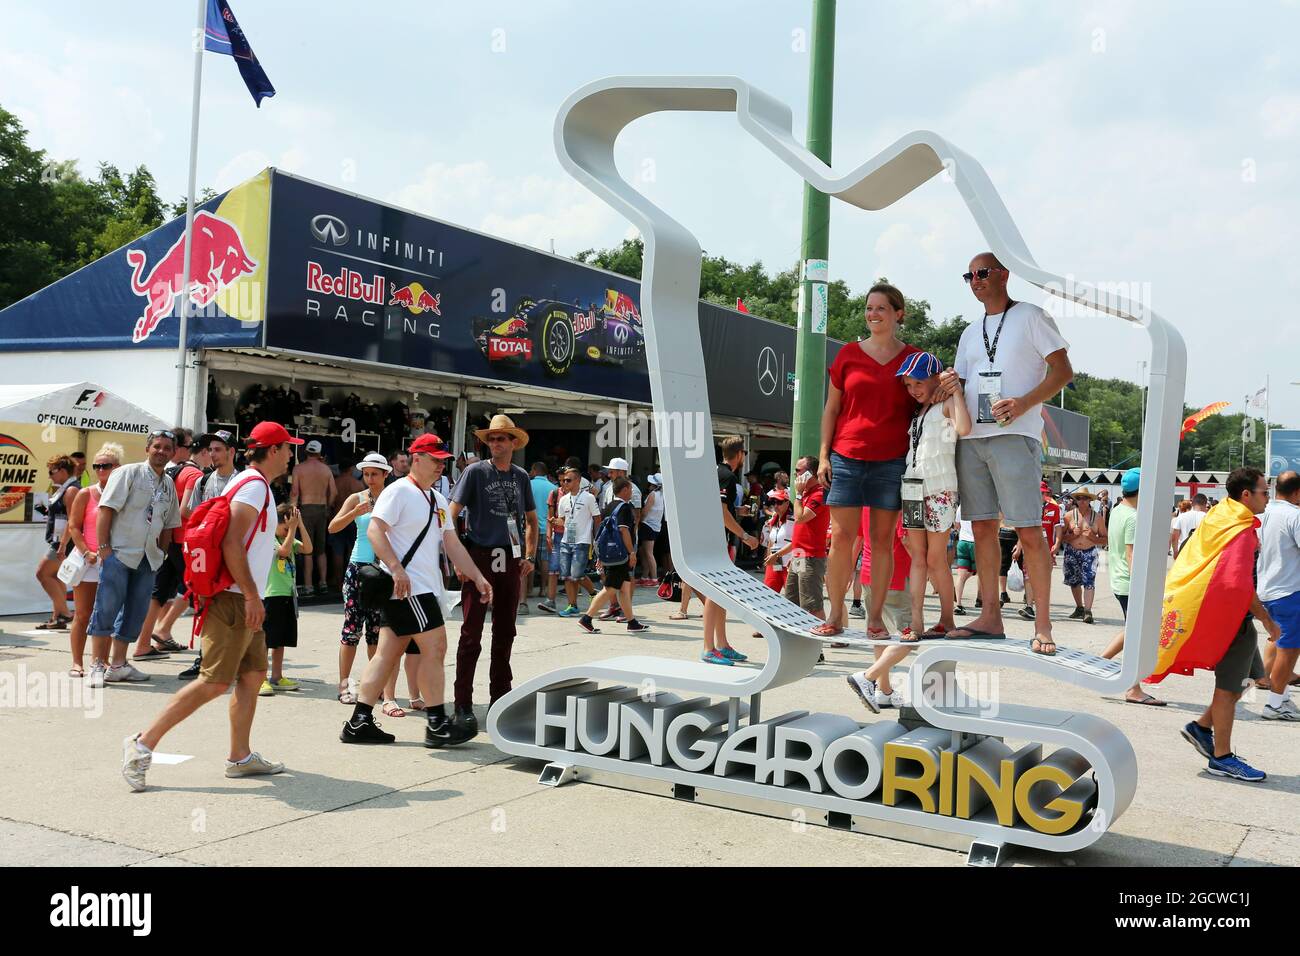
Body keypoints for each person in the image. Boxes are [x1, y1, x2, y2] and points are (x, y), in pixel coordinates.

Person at [122, 422, 299, 791]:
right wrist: (251, 595)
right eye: (287, 447)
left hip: (245, 596)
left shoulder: (251, 483)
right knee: (214, 682)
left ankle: (240, 757)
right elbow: (233, 542)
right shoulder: (252, 487)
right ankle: (141, 744)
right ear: (274, 450)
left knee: (252, 677)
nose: (291, 454)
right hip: (235, 597)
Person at [942, 253, 1073, 654]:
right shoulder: (969, 332)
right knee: (980, 527)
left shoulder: (1032, 316)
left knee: (1029, 530)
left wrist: (1023, 402)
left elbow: (1063, 371)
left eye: (982, 273)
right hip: (971, 438)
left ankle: (1044, 625)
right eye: (969, 275)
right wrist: (946, 384)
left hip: (1016, 433)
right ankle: (990, 617)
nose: (975, 280)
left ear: (1003, 274)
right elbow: (960, 385)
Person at [341, 433, 492, 746]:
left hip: (416, 589)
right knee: (435, 648)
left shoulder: (436, 499)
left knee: (385, 655)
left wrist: (477, 575)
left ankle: (358, 721)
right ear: (417, 459)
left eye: (443, 462)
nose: (440, 467)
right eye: (435, 460)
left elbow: (450, 541)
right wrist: (396, 568)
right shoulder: (398, 492)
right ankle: (437, 723)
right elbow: (374, 530)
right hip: (409, 589)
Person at [815, 284, 921, 640]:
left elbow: (928, 398)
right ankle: (836, 613)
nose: (873, 314)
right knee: (842, 538)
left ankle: (874, 618)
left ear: (898, 313)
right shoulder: (847, 355)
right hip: (846, 458)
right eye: (869, 308)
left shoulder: (913, 359)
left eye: (881, 308)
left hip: (892, 462)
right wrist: (823, 456)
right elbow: (831, 409)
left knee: (881, 541)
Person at [1159, 468, 1277, 781]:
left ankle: (1201, 727)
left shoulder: (1221, 514)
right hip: (1232, 620)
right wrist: (1267, 619)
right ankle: (1222, 758)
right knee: (1228, 690)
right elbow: (1237, 585)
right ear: (1246, 495)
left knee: (1249, 680)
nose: (1269, 497)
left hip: (1234, 619)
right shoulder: (1240, 529)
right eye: (1265, 492)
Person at [449, 414, 538, 738]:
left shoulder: (521, 477)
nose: (497, 443)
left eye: (502, 438)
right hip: (480, 556)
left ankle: (500, 701)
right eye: (492, 439)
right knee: (470, 634)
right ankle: (462, 704)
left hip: (510, 558)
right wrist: (458, 557)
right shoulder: (475, 472)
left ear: (514, 442)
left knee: (506, 633)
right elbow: (451, 515)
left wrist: (528, 556)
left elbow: (531, 519)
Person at [87, 431, 182, 688]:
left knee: (136, 613)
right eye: (157, 446)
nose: (161, 451)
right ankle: (97, 664)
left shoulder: (168, 484)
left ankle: (118, 664)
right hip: (120, 553)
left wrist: (162, 553)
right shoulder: (128, 473)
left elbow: (169, 523)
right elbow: (106, 510)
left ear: (173, 453)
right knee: (106, 608)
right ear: (147, 449)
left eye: (166, 448)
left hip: (149, 559)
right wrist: (105, 548)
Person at [896, 351, 970, 640]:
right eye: (908, 385)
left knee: (936, 559)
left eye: (917, 383)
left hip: (940, 489)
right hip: (912, 488)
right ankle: (916, 622)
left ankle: (947, 620)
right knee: (918, 557)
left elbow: (964, 428)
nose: (913, 390)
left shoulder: (947, 403)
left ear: (933, 378)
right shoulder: (917, 413)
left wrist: (954, 391)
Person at [330, 452, 411, 712]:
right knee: (351, 630)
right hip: (358, 568)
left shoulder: (394, 497)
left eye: (375, 474)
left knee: (377, 632)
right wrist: (354, 511)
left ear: (386, 474)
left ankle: (372, 687)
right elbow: (333, 527)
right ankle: (344, 686)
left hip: (384, 570)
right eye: (366, 474)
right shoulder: (357, 497)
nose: (370, 479)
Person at [128, 428, 204, 662]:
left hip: (166, 540)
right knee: (196, 589)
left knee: (159, 593)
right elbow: (184, 510)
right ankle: (165, 631)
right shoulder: (193, 474)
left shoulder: (170, 472)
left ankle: (144, 643)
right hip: (183, 540)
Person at [174, 430, 240, 680]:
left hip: (233, 551)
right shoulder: (204, 480)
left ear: (231, 452)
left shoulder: (242, 480)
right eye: (210, 449)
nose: (212, 454)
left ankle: (234, 658)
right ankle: (204, 658)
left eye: (218, 449)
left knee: (235, 604)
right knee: (205, 604)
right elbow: (191, 513)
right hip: (209, 552)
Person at [1097, 468, 1163, 705]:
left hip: (1119, 580)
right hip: (1130, 583)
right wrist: (1143, 586)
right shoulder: (1134, 517)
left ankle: (1099, 663)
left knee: (1132, 629)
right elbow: (1131, 554)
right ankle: (1133, 689)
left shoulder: (1117, 510)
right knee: (1137, 635)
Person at [846, 510, 915, 711]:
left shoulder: (866, 503)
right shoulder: (895, 501)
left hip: (868, 573)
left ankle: (884, 691)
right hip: (896, 572)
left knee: (879, 635)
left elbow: (857, 539)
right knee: (911, 636)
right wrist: (926, 568)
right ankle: (868, 677)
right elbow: (906, 539)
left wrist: (850, 570)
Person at [701, 436, 759, 666]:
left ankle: (722, 645)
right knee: (715, 595)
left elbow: (719, 508)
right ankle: (708, 648)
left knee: (721, 594)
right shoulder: (726, 475)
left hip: (712, 539)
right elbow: (721, 512)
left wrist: (739, 511)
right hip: (716, 543)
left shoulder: (714, 471)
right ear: (740, 454)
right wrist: (745, 536)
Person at [64, 444, 121, 676]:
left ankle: (102, 661)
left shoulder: (123, 493)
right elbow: (73, 527)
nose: (100, 470)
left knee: (107, 613)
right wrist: (87, 552)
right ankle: (77, 662)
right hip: (87, 560)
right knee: (83, 613)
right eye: (96, 466)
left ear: (117, 468)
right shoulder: (85, 493)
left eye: (105, 466)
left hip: (112, 560)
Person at [577, 478, 650, 634]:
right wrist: (632, 552)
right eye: (630, 489)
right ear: (624, 490)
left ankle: (632, 622)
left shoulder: (609, 506)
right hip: (620, 554)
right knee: (610, 588)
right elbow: (624, 531)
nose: (631, 492)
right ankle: (587, 618)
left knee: (624, 587)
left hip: (610, 553)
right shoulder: (624, 508)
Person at [1258, 471, 1300, 720]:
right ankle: (1274, 704)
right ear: (1296, 492)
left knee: (1279, 642)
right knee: (1290, 649)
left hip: (1267, 587)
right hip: (1289, 590)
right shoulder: (1295, 515)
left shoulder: (1265, 513)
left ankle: (1281, 697)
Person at [259, 503, 312, 696]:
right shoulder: (269, 539)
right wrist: (292, 530)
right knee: (266, 639)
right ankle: (260, 678)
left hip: (288, 595)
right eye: (285, 527)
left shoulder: (287, 536)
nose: (287, 531)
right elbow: (282, 551)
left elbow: (307, 548)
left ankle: (277, 676)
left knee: (281, 639)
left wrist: (300, 525)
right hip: (272, 595)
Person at [782, 455, 832, 623]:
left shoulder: (819, 493)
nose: (795, 474)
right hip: (799, 555)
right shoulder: (807, 493)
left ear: (810, 474)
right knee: (791, 600)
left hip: (810, 557)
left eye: (798, 470)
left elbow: (800, 517)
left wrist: (797, 495)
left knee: (812, 605)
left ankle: (818, 647)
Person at [34, 454, 80, 631]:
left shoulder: (71, 490)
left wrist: (62, 545)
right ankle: (58, 616)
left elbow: (72, 520)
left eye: (51, 471)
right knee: (55, 575)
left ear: (62, 470)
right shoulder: (65, 489)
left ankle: (64, 614)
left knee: (42, 574)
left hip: (63, 541)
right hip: (60, 540)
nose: (49, 475)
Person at [290, 440, 336, 598]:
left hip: (306, 509)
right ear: (319, 453)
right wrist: (328, 507)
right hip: (322, 509)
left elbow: (295, 492)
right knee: (321, 549)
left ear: (306, 452)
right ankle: (323, 583)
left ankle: (309, 585)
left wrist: (293, 511)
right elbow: (334, 492)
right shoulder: (326, 470)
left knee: (307, 549)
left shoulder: (298, 469)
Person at [553, 467, 601, 617]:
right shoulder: (563, 499)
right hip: (566, 540)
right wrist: (556, 522)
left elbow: (597, 518)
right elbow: (563, 520)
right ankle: (572, 605)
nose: (565, 483)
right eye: (563, 480)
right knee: (567, 575)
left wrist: (596, 538)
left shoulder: (588, 497)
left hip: (582, 541)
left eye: (568, 480)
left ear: (578, 481)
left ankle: (593, 592)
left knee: (577, 574)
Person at [1056, 489, 1106, 623]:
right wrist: (1073, 535)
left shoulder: (1097, 518)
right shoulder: (1069, 516)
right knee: (1074, 581)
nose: (1082, 501)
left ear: (1090, 500)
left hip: (1089, 551)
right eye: (1079, 498)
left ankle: (1088, 611)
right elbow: (1061, 538)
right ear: (1075, 500)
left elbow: (1105, 539)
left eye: (1085, 498)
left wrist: (1093, 538)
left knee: (1089, 581)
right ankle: (1079, 607)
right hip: (1072, 551)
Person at [524, 462, 558, 615]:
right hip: (546, 528)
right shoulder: (553, 488)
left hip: (531, 527)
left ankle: (529, 589)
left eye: (531, 469)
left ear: (535, 471)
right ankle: (544, 589)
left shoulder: (529, 485)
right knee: (544, 559)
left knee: (529, 558)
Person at [761, 489, 794, 594]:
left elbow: (797, 542)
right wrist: (767, 560)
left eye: (779, 502)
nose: (775, 506)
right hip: (775, 563)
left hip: (790, 564)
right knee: (768, 595)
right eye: (773, 502)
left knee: (793, 600)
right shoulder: (774, 519)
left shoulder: (794, 520)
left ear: (787, 503)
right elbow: (771, 542)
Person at [637, 473, 664, 586]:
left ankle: (653, 579)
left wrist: (638, 521)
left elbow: (645, 511)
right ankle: (644, 576)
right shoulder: (662, 495)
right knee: (644, 552)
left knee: (648, 553)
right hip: (655, 525)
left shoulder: (653, 494)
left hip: (648, 525)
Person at [953, 509, 976, 615]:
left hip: (962, 542)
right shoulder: (980, 504)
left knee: (961, 576)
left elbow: (957, 524)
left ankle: (958, 604)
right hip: (975, 543)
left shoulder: (960, 507)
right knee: (977, 572)